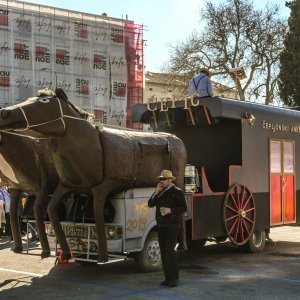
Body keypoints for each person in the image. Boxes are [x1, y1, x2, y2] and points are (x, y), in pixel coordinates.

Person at [148, 170, 187, 287]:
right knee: (164, 252)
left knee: (170, 251)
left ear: (170, 180)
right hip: (161, 225)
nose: (161, 181)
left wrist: (170, 210)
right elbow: (150, 204)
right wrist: (155, 192)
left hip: (173, 225)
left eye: (164, 179)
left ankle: (174, 278)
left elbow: (184, 207)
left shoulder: (177, 192)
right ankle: (167, 278)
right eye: (160, 179)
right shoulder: (160, 192)